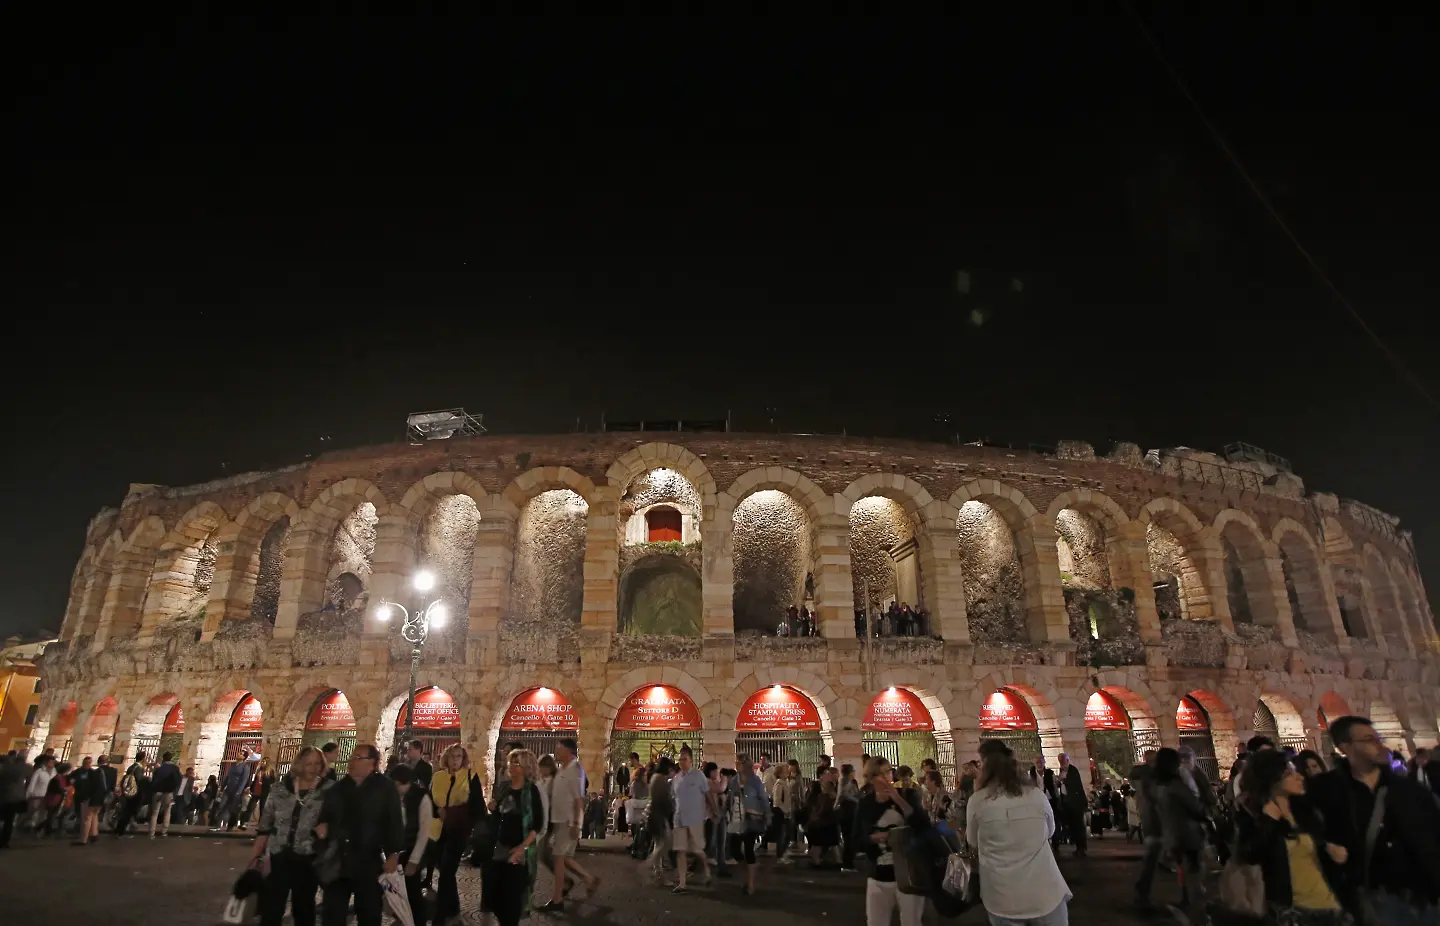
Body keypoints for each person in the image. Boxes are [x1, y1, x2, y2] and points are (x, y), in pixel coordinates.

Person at [1309, 714, 1440, 924]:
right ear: (1345, 747)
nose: (1379, 745)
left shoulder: (1408, 789)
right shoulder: (1326, 791)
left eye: (1378, 738)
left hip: (1424, 895)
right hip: (1374, 896)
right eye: (1369, 740)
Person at [1235, 749, 1348, 924]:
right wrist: (1268, 821)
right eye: (1289, 774)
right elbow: (1250, 854)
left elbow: (1315, 846)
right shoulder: (1253, 814)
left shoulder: (1305, 809)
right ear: (1272, 780)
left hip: (1330, 905)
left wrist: (1328, 848)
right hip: (1293, 913)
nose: (1299, 777)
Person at [967, 743, 1071, 926]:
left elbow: (972, 841)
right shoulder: (1036, 795)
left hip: (1001, 895)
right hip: (1045, 891)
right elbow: (1050, 831)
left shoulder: (977, 801)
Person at [315, 743, 404, 926]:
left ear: (372, 762)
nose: (352, 761)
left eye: (358, 757)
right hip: (339, 860)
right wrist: (323, 831)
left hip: (369, 859)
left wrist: (393, 854)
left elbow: (393, 822)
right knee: (333, 914)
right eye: (353, 757)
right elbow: (324, 817)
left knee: (369, 912)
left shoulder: (384, 788)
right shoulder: (337, 789)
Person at [251, 745, 332, 926]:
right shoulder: (280, 788)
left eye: (317, 764)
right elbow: (266, 823)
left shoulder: (328, 790)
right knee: (272, 907)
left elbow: (339, 818)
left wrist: (328, 827)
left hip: (309, 856)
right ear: (299, 763)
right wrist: (257, 853)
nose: (313, 768)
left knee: (304, 907)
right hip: (279, 854)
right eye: (308, 763)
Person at [855, 756, 929, 926]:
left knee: (912, 922)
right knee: (876, 922)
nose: (886, 777)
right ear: (871, 778)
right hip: (878, 875)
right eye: (879, 774)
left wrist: (897, 799)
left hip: (909, 873)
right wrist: (874, 838)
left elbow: (922, 826)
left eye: (888, 771)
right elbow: (856, 840)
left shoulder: (909, 795)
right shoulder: (865, 804)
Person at [536, 738, 600, 910]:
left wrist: (576, 823)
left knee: (558, 858)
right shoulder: (561, 769)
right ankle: (589, 879)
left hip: (567, 821)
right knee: (564, 858)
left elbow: (579, 799)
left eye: (560, 748)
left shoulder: (575, 769)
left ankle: (557, 899)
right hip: (558, 820)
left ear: (569, 750)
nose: (557, 750)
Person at [485, 748, 544, 926]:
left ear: (526, 768)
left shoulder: (531, 791)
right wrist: (492, 807)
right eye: (511, 762)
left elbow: (537, 824)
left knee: (511, 899)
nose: (511, 766)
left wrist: (522, 847)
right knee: (495, 897)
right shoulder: (504, 787)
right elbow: (497, 817)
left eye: (517, 764)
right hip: (499, 847)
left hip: (519, 850)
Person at [1152, 748, 1209, 922]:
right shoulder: (1176, 787)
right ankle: (1199, 911)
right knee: (1194, 872)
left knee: (1183, 870)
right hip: (1187, 833)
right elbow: (1195, 808)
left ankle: (1186, 901)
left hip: (1172, 833)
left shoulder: (1158, 786)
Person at [429, 743, 481, 926]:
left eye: (459, 756)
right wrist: (438, 810)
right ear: (446, 758)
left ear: (463, 758)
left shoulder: (470, 776)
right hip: (437, 830)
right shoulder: (438, 777)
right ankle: (454, 907)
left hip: (458, 830)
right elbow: (430, 799)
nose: (455, 760)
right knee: (444, 869)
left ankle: (440, 915)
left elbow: (477, 807)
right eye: (452, 756)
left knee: (447, 871)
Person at [388, 764, 432, 926]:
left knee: (412, 892)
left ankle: (417, 921)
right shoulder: (393, 797)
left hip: (413, 851)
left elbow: (424, 832)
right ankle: (403, 918)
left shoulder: (421, 797)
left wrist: (414, 860)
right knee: (397, 890)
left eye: (400, 785)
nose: (397, 788)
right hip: (396, 852)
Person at [726, 754, 770, 895]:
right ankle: (745, 873)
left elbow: (763, 799)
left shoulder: (755, 780)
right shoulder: (734, 780)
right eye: (736, 762)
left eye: (739, 762)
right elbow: (729, 798)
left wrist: (767, 815)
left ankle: (750, 883)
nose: (737, 764)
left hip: (751, 818)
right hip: (736, 818)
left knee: (749, 849)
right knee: (734, 850)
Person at [669, 746, 712, 892]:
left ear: (691, 761)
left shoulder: (699, 776)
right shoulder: (676, 778)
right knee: (680, 850)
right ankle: (682, 883)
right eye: (680, 759)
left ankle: (706, 868)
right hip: (679, 818)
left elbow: (707, 795)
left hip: (695, 818)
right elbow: (674, 798)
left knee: (697, 849)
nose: (681, 762)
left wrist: (714, 811)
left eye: (684, 759)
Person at [644, 756, 677, 884]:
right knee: (665, 843)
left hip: (654, 815)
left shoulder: (655, 777)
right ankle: (649, 865)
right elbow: (663, 799)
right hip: (658, 815)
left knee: (660, 844)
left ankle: (658, 873)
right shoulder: (661, 779)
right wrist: (671, 806)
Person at [1055, 753, 1087, 856]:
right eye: (1060, 761)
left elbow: (1075, 785)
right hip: (1066, 802)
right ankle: (1077, 845)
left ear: (1067, 760)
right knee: (1072, 825)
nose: (1061, 763)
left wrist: (1063, 780)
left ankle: (1081, 847)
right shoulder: (1061, 770)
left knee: (1079, 825)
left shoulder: (1073, 770)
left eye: (1063, 761)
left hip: (1075, 802)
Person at [149, 750, 181, 838]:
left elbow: (153, 781)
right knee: (167, 812)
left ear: (163, 758)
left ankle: (152, 833)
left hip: (158, 792)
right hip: (168, 792)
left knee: (154, 813)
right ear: (171, 758)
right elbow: (178, 781)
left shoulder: (159, 769)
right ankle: (164, 831)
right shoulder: (175, 768)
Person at [1, 750, 29, 847]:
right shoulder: (21, 769)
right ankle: (5, 841)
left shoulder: (6, 769)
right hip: (13, 798)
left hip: (5, 797)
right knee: (9, 820)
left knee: (6, 819)